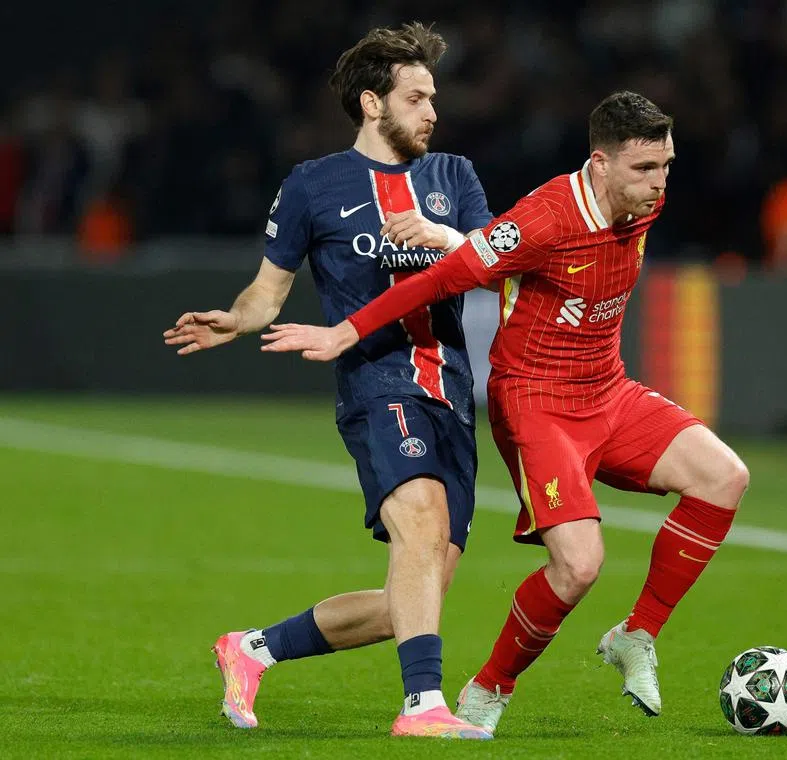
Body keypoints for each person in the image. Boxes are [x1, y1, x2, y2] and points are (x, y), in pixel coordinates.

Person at [260, 90, 751, 734]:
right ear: (599, 164)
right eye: (643, 170)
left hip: (608, 390)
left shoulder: (642, 203)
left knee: (725, 477)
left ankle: (636, 634)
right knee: (579, 565)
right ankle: (489, 689)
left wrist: (452, 235)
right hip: (538, 403)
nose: (659, 184)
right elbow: (445, 278)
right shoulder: (547, 216)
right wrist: (344, 333)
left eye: (666, 166)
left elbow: (504, 264)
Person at [162, 23, 494, 740]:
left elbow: (495, 258)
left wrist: (444, 240)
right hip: (377, 385)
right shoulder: (315, 184)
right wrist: (236, 319)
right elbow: (267, 293)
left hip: (452, 395)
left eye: (434, 96)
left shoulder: (455, 178)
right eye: (416, 97)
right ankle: (422, 707)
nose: (432, 110)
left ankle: (251, 649)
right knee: (421, 521)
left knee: (416, 594)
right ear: (373, 104)